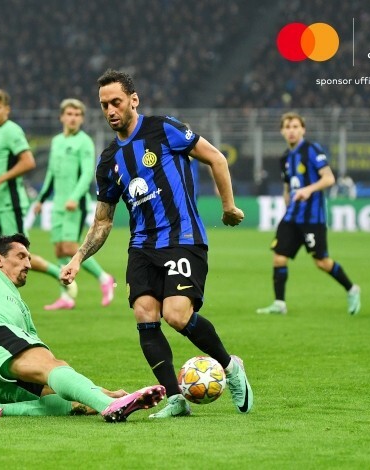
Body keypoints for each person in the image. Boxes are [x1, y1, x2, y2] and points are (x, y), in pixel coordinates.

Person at [60, 69, 254, 418]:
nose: (110, 110)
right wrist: (77, 258)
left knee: (177, 316)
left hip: (182, 238)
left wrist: (228, 206)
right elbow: (103, 220)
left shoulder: (164, 129)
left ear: (133, 100)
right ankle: (175, 400)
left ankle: (230, 366)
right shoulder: (108, 161)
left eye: (116, 102)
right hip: (141, 247)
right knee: (145, 316)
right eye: (104, 105)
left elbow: (216, 158)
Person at [0, 157, 165, 421]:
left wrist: (97, 391)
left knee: (60, 394)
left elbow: (43, 357)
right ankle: (109, 406)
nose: (28, 263)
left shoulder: (18, 303)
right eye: (21, 256)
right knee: (55, 367)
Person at [0, 89, 75, 321]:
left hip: (10, 203)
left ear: (6, 110)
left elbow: (28, 161)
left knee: (20, 255)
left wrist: (0, 179)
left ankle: (60, 275)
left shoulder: (12, 130)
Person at [256, 112, 361, 315]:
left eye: (295, 126)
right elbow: (287, 186)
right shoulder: (285, 158)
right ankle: (279, 303)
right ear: (282, 131)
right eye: (287, 127)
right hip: (292, 217)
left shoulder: (312, 150)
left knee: (322, 262)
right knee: (279, 257)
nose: (291, 131)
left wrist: (308, 190)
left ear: (303, 129)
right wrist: (287, 202)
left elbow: (329, 178)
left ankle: (352, 288)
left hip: (313, 218)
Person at [34, 98, 116, 310]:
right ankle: (66, 296)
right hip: (58, 203)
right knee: (60, 250)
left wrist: (74, 197)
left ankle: (104, 278)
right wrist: (42, 199)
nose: (73, 118)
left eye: (77, 115)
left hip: (74, 203)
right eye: (69, 114)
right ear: (62, 117)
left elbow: (87, 173)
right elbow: (51, 173)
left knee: (71, 247)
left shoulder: (84, 142)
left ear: (81, 119)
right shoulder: (57, 141)